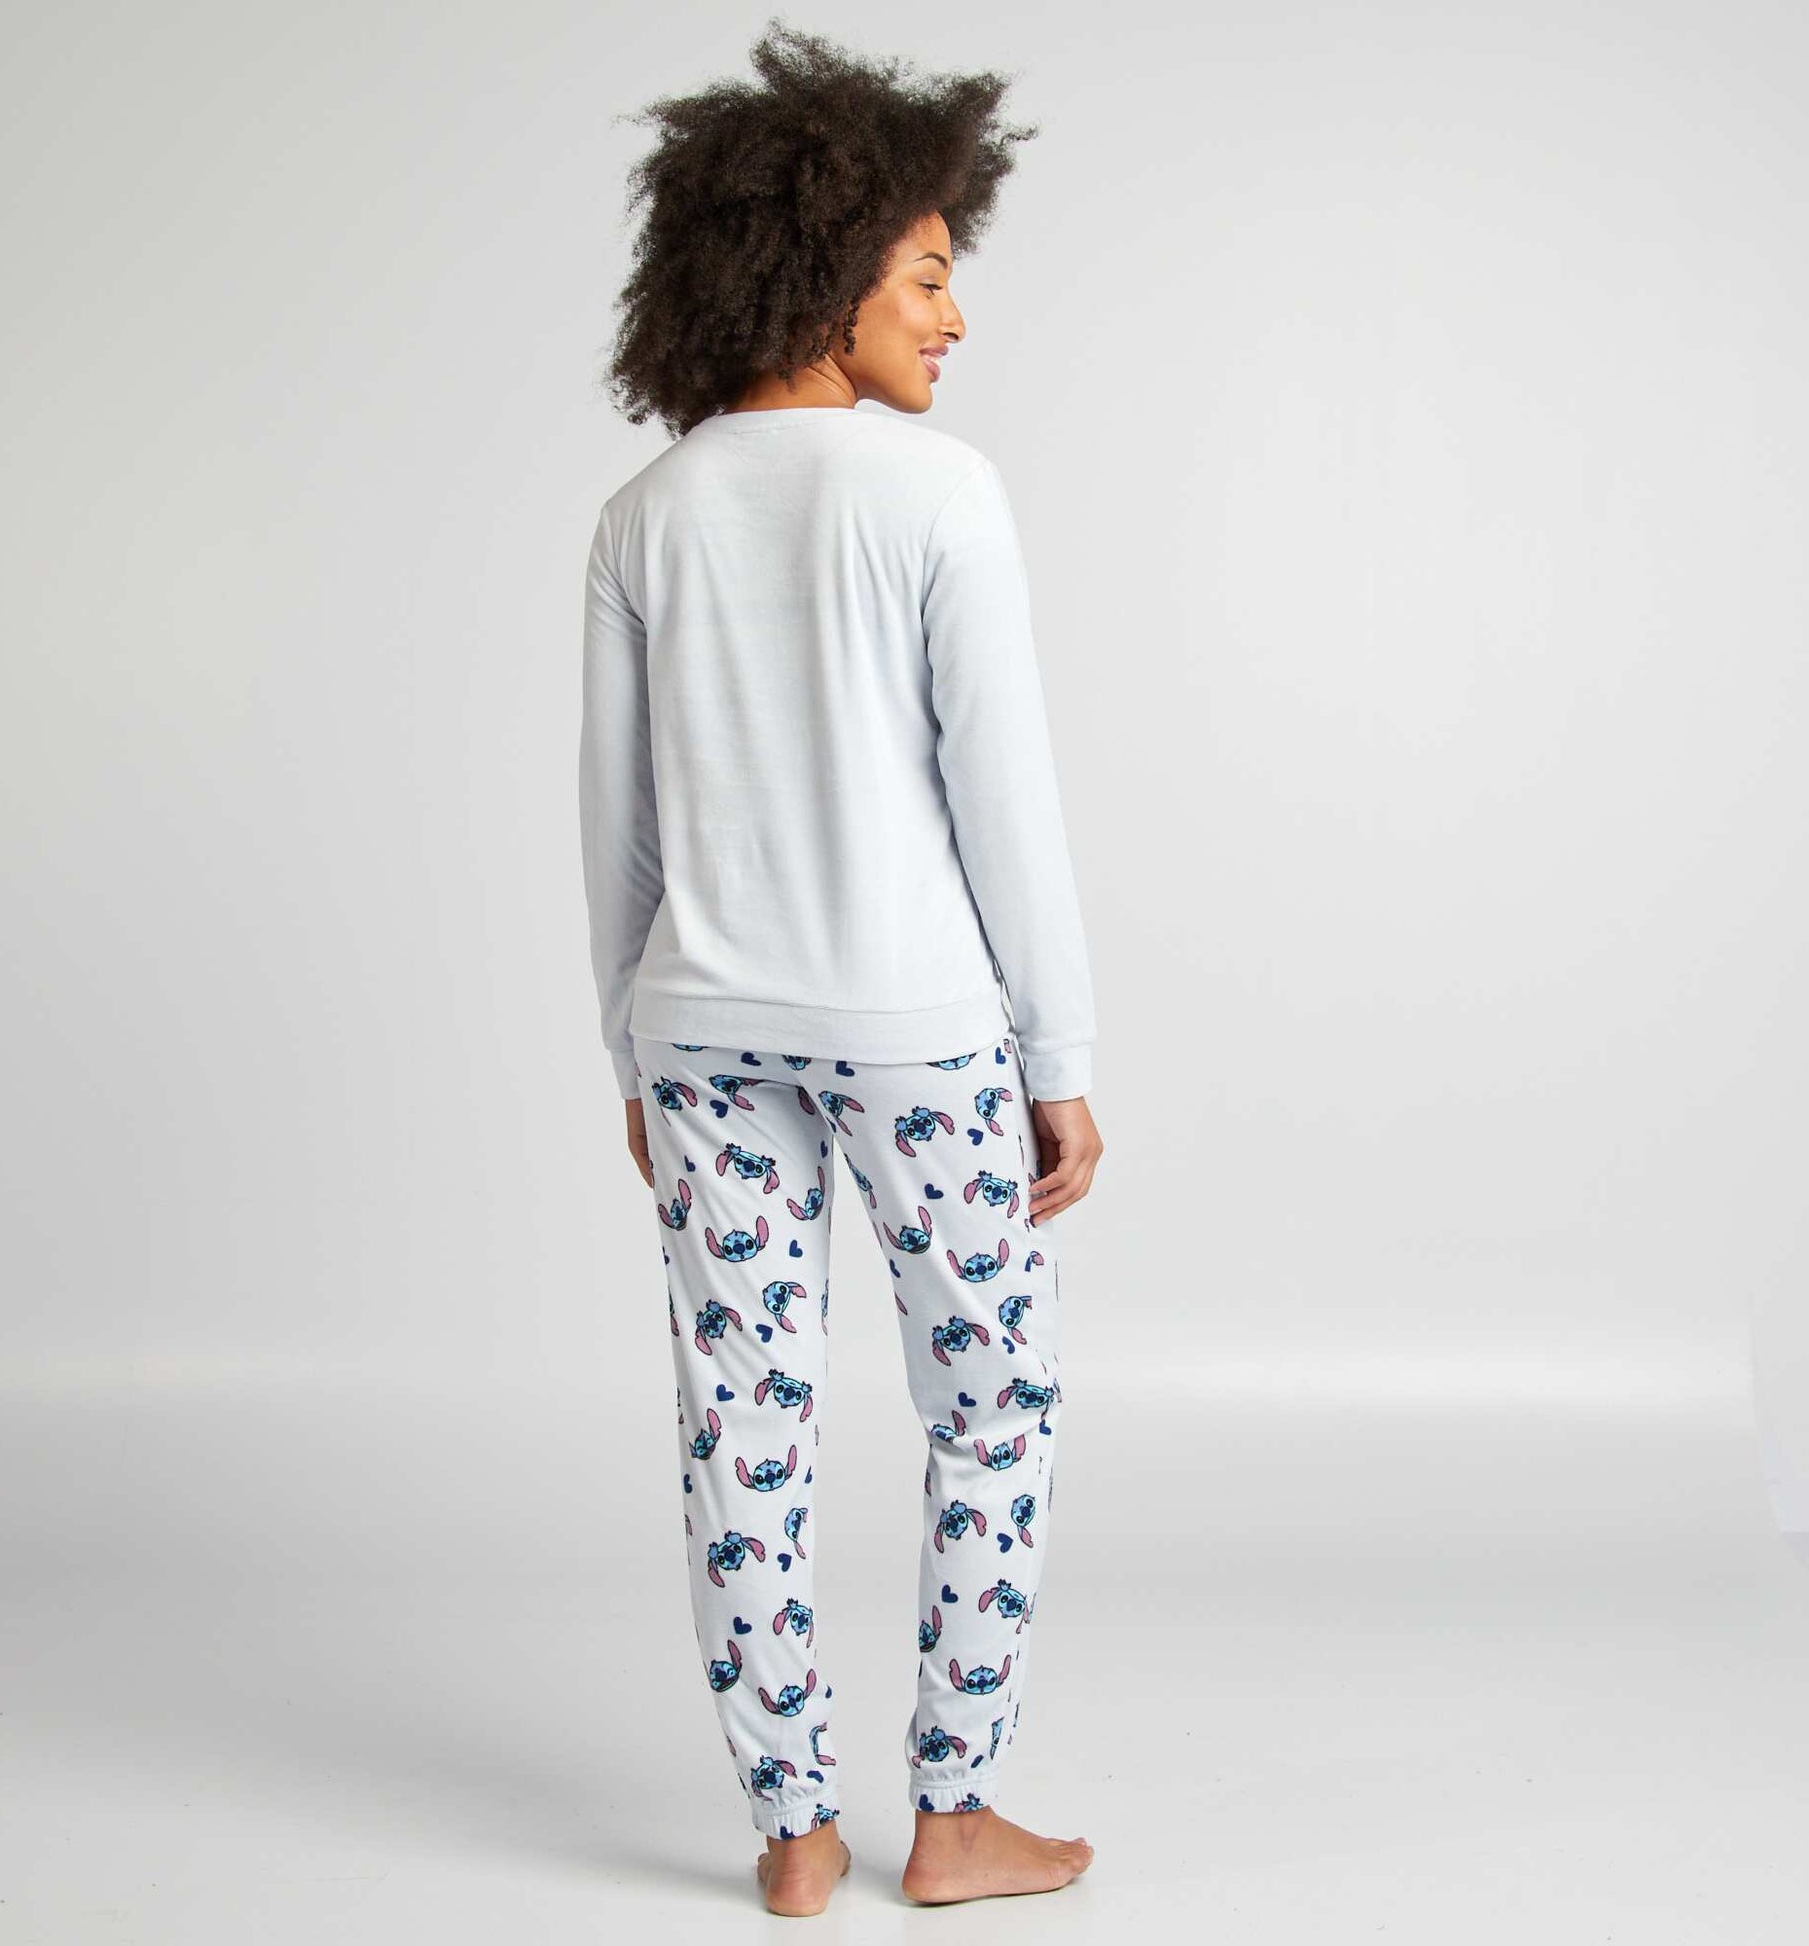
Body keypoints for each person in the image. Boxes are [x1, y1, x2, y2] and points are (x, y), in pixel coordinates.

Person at [578, 22, 1102, 1916]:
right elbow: (1004, 800)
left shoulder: (643, 516)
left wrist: (629, 1062)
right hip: (918, 1031)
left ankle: (793, 1827)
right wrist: (1058, 1052)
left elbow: (619, 832)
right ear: (822, 273)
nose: (953, 318)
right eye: (927, 274)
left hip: (699, 1032)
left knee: (745, 1425)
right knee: (993, 1406)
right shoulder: (936, 493)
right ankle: (951, 1810)